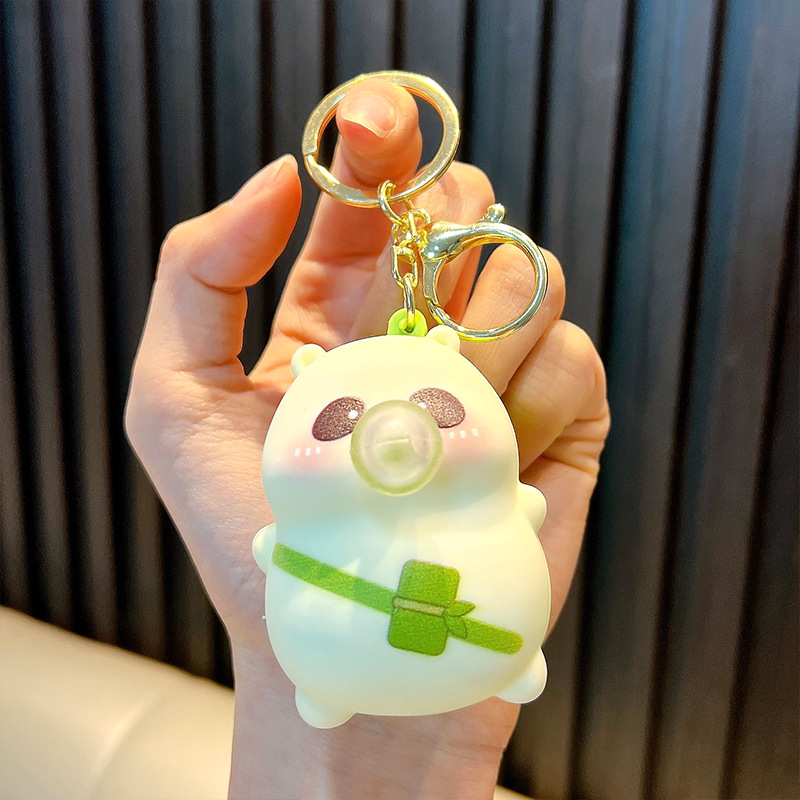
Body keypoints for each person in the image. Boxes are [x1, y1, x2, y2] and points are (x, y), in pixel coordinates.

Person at [125, 78, 610, 800]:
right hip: (330, 674)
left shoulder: (485, 491)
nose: (391, 437)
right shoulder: (303, 511)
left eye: (435, 409)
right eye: (342, 417)